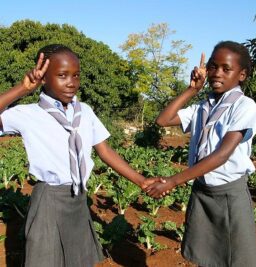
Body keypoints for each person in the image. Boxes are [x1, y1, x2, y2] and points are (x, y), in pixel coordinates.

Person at [0, 44, 163, 267]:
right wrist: (22, 88)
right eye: (62, 75)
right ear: (44, 78)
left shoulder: (84, 111)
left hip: (78, 199)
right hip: (48, 199)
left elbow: (104, 151)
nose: (71, 82)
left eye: (76, 75)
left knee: (77, 260)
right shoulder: (28, 114)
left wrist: (142, 181)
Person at [145, 41, 256, 266]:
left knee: (236, 258)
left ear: (242, 74)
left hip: (229, 195)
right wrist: (192, 90)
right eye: (212, 67)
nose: (217, 73)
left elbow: (222, 155)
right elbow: (163, 120)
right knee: (206, 256)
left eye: (226, 69)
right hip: (202, 191)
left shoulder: (244, 106)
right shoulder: (202, 107)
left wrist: (172, 181)